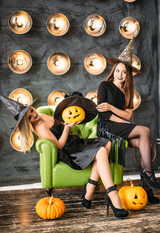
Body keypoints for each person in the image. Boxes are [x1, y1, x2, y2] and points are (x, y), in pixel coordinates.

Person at [0, 93, 128, 218]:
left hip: (75, 141)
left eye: (32, 111)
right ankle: (112, 195)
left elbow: (61, 124)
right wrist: (66, 129)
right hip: (70, 151)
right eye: (29, 117)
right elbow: (60, 145)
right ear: (26, 123)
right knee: (101, 152)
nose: (34, 115)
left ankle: (90, 188)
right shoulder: (40, 128)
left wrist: (69, 122)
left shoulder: (41, 114)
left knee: (107, 144)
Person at [96, 39, 160, 204]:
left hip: (119, 126)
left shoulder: (127, 92)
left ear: (128, 75)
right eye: (118, 70)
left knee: (145, 142)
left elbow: (126, 116)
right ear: (114, 70)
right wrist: (118, 115)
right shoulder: (104, 86)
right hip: (107, 127)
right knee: (144, 131)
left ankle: (146, 187)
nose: (120, 75)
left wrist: (111, 106)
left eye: (124, 72)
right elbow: (105, 115)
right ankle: (149, 173)